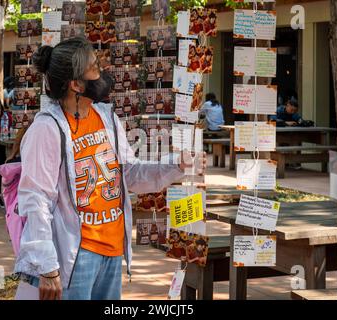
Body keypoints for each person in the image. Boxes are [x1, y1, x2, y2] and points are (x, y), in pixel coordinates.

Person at [16, 37, 206, 300]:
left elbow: (127, 173)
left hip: (113, 249)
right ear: (75, 84)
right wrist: (46, 267)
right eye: (94, 68)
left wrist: (177, 165)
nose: (102, 73)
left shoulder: (107, 118)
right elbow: (36, 199)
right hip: (76, 255)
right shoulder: (46, 130)